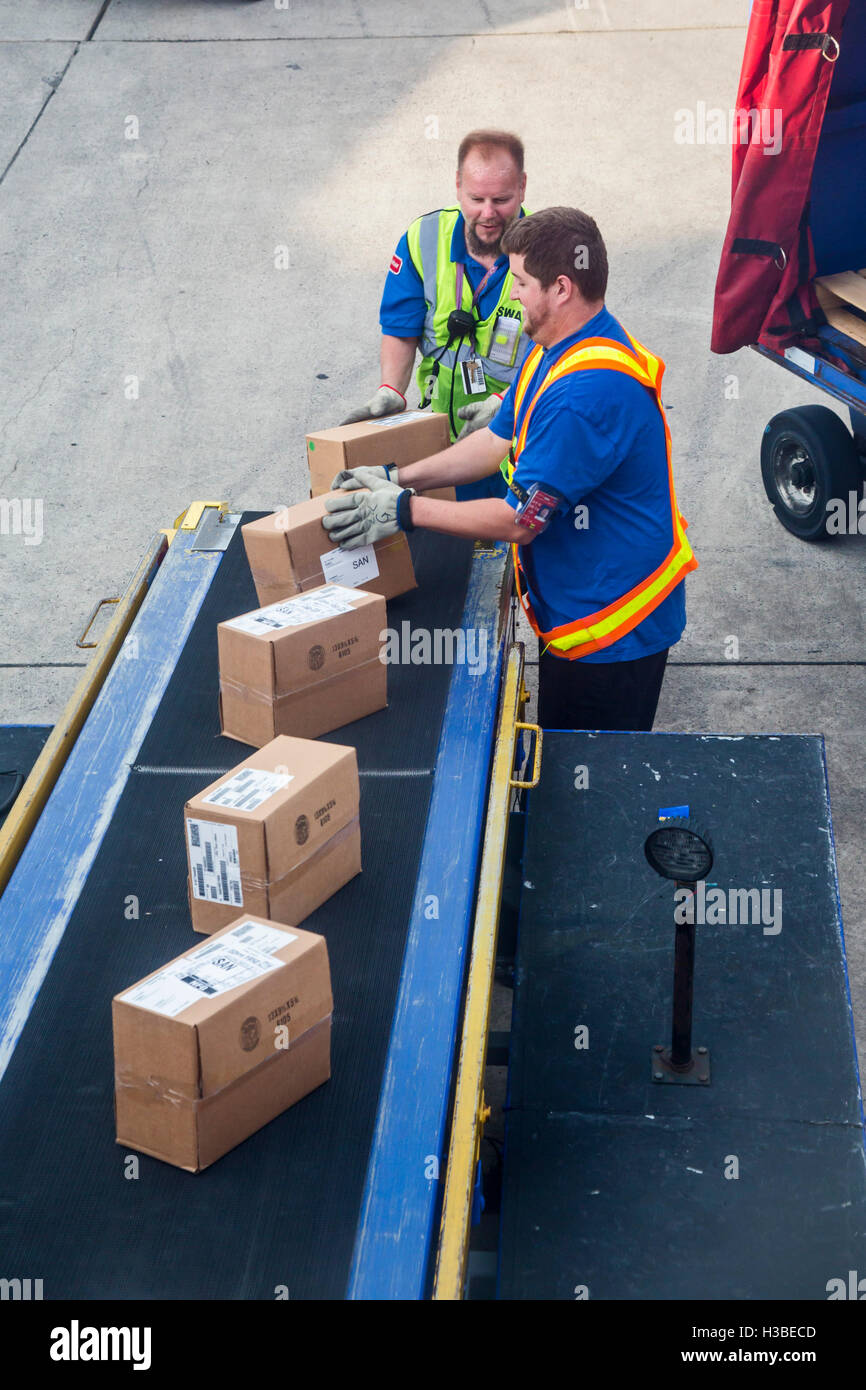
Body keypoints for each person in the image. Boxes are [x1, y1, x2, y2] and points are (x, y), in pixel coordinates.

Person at [322, 206, 697, 734]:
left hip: (611, 630)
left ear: (561, 288)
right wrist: (396, 476)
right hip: (579, 601)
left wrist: (404, 511)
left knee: (581, 774)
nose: (514, 292)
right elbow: (494, 441)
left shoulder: (583, 395)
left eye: (521, 281)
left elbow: (521, 520)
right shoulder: (552, 349)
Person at [340, 129, 533, 500]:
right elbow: (401, 327)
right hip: (440, 443)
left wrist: (508, 404)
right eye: (476, 198)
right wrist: (391, 390)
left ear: (522, 187)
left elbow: (562, 351)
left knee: (506, 541)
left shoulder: (546, 250)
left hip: (517, 447)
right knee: (442, 543)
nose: (488, 214)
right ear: (458, 185)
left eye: (502, 199)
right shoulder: (423, 238)